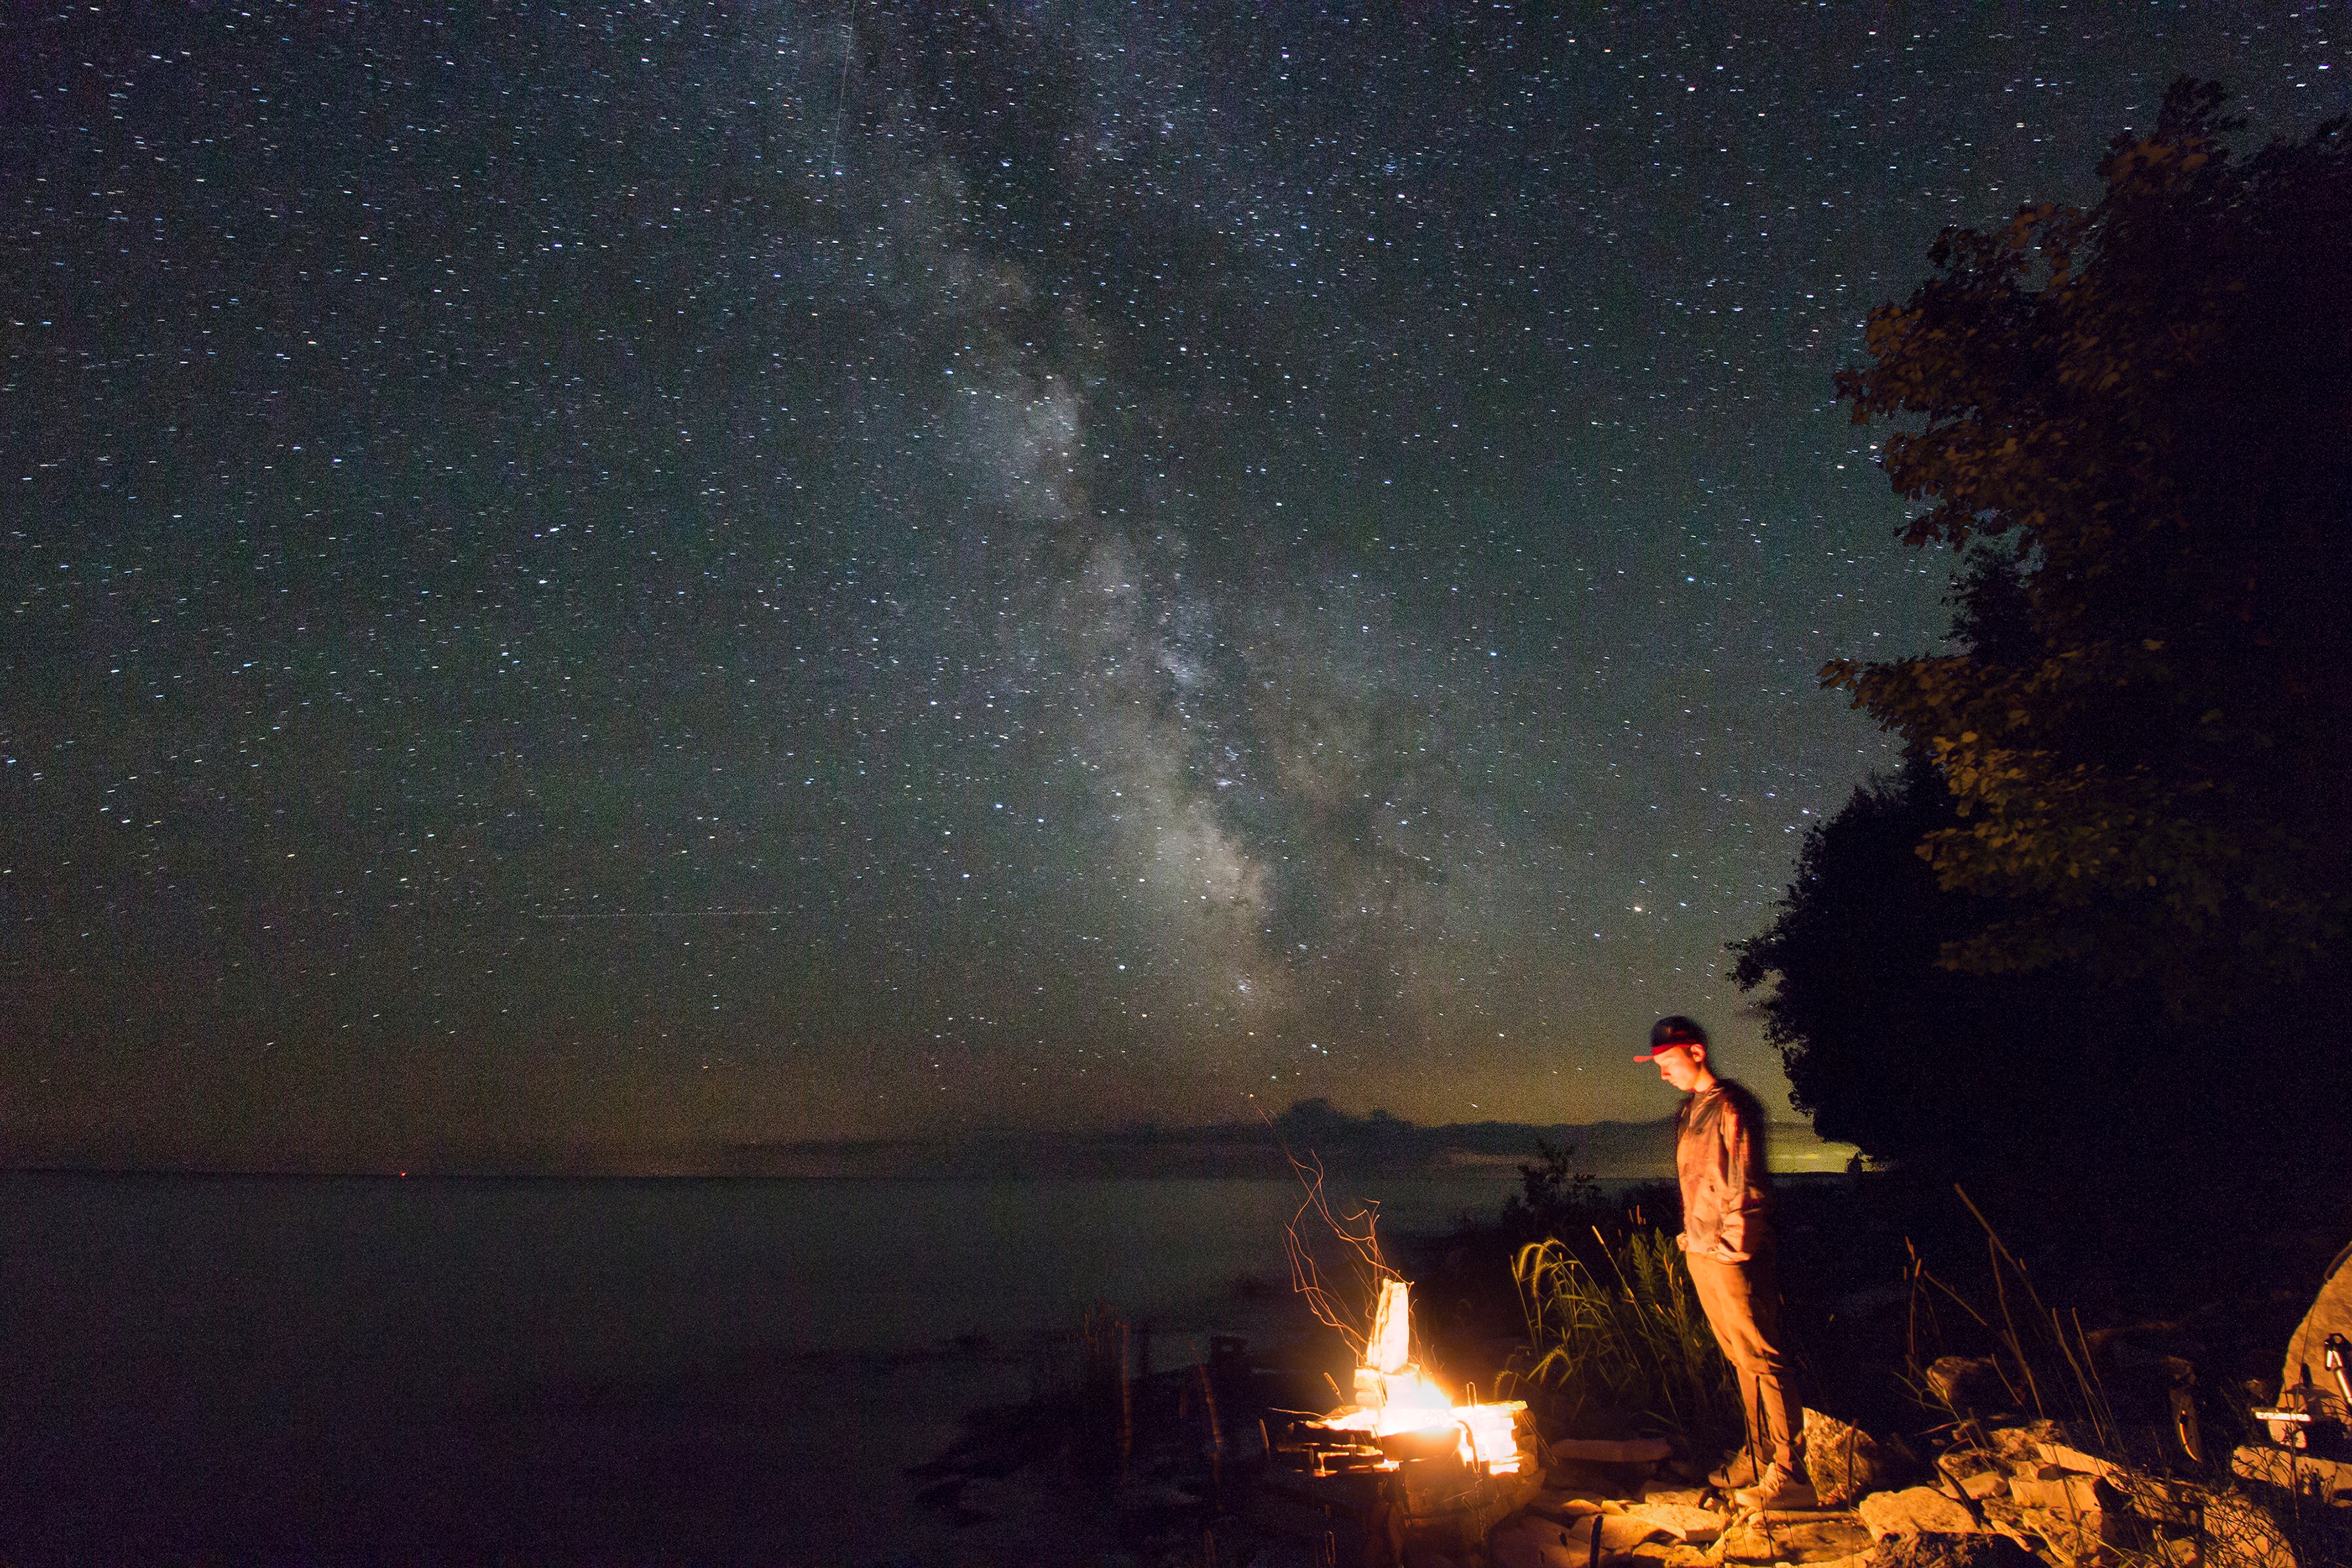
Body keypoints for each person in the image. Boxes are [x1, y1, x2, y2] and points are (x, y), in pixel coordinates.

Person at [1636, 1014, 1814, 1510]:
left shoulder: (1732, 1106)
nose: (1662, 1072)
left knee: (1763, 1356)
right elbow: (1700, 1182)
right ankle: (1759, 1457)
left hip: (1732, 1254)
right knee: (1741, 1358)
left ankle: (1793, 1473)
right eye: (1657, 1064)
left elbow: (1745, 1181)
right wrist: (1692, 1238)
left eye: (1668, 1061)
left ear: (1696, 1053)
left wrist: (1734, 1247)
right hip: (1702, 1251)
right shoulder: (1689, 1110)